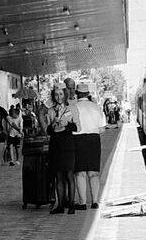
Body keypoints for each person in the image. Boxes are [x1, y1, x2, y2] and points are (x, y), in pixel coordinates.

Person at [67, 81, 106, 209]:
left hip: (77, 140)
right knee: (94, 173)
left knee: (80, 173)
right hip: (94, 140)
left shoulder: (72, 107)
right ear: (88, 93)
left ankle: (82, 203)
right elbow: (102, 129)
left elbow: (68, 126)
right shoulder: (96, 107)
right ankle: (95, 202)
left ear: (76, 93)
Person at [45, 82, 76, 215]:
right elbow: (48, 130)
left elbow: (77, 127)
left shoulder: (71, 108)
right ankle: (60, 205)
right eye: (56, 94)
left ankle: (72, 204)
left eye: (61, 94)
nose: (59, 97)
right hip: (56, 146)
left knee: (69, 175)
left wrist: (66, 124)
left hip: (68, 145)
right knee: (58, 176)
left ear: (65, 95)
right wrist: (53, 124)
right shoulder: (51, 110)